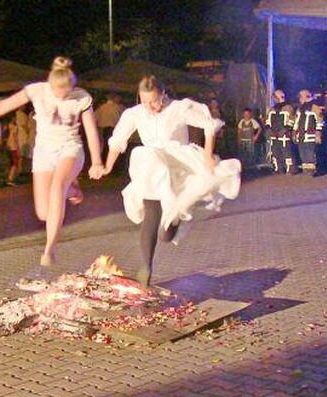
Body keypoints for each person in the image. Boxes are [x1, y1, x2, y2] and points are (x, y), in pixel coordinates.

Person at [0, 56, 104, 267]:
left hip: (70, 148)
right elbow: (1, 107)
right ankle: (72, 190)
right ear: (50, 84)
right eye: (58, 92)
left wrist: (96, 161)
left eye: (66, 92)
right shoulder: (36, 91)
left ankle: (49, 250)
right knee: (44, 212)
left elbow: (91, 130)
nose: (62, 97)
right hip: (44, 151)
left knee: (57, 187)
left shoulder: (82, 97)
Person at [101, 75, 241, 286]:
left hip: (178, 166)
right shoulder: (134, 113)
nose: (150, 107)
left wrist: (207, 155)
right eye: (145, 102)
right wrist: (106, 166)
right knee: (151, 212)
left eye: (154, 101)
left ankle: (174, 220)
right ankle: (146, 267)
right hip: (150, 168)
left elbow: (208, 124)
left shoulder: (179, 108)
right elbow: (117, 140)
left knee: (165, 234)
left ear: (163, 94)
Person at [265, 90, 297, 174]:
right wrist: (269, 130)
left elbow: (292, 120)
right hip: (274, 135)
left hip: (284, 136)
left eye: (275, 97)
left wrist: (285, 130)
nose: (274, 99)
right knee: (275, 153)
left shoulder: (288, 108)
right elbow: (268, 121)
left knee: (286, 152)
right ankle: (278, 169)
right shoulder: (272, 109)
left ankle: (290, 169)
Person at [293, 89, 324, 176]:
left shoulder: (315, 108)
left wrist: (318, 134)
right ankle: (306, 169)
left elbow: (319, 121)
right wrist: (294, 132)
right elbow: (296, 121)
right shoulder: (299, 108)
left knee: (310, 152)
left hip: (310, 135)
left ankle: (312, 170)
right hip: (301, 135)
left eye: (300, 97)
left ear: (306, 97)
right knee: (302, 152)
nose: (299, 99)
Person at [95, 93, 125, 162]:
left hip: (103, 130)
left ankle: (104, 161)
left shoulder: (101, 108)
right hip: (115, 130)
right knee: (114, 146)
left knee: (105, 146)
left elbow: (94, 118)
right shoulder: (120, 108)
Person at [236, 108, 262, 172]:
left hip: (250, 141)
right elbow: (239, 131)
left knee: (250, 154)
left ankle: (250, 168)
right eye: (245, 114)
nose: (246, 116)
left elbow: (259, 129)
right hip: (243, 140)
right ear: (243, 115)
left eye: (248, 114)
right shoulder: (242, 122)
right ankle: (244, 167)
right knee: (243, 154)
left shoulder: (253, 121)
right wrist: (239, 139)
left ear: (250, 114)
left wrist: (256, 136)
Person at [4, 118, 20, 187]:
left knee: (10, 163)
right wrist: (18, 148)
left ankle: (8, 178)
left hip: (8, 146)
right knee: (15, 164)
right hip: (13, 147)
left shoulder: (8, 126)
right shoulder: (15, 127)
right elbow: (15, 138)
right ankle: (10, 179)